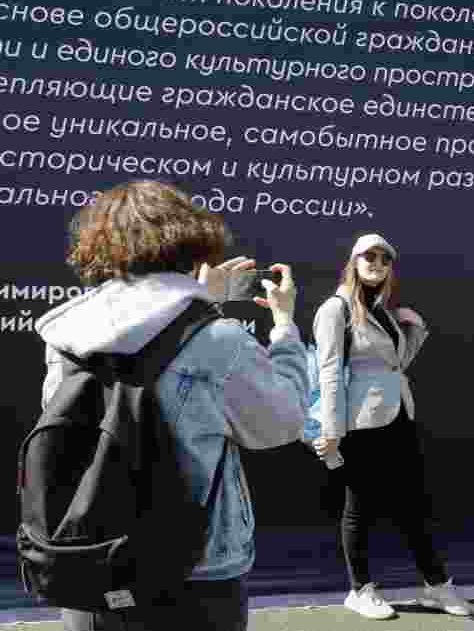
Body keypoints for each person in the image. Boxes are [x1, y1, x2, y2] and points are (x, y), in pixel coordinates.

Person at [35, 180, 309, 631]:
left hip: (84, 557)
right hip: (194, 570)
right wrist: (284, 329)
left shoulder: (68, 330)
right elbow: (282, 423)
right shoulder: (216, 339)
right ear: (190, 242)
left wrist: (201, 304)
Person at [312, 233, 474, 620]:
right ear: (354, 261)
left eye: (385, 259)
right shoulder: (334, 310)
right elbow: (329, 372)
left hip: (399, 417)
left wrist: (414, 331)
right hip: (359, 424)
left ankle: (436, 586)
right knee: (359, 509)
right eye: (369, 256)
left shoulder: (384, 311)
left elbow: (393, 365)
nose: (377, 264)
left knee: (414, 507)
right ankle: (360, 589)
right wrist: (332, 430)